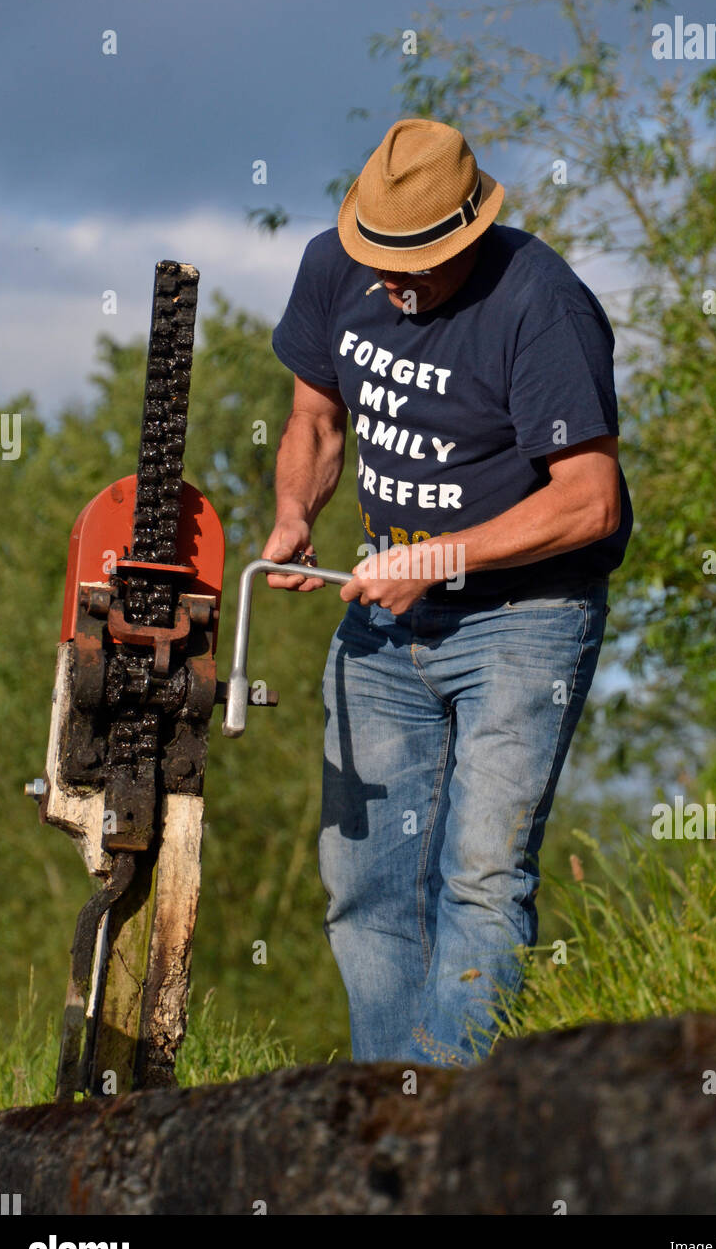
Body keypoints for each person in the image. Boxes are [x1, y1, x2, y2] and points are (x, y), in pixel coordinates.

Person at [264, 117, 632, 1067]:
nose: (391, 283)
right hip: (383, 625)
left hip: (524, 624)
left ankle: (451, 1130)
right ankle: (389, 1116)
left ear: (468, 236)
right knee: (365, 885)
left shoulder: (542, 303)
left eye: (416, 267)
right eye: (379, 259)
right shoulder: (336, 268)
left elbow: (589, 504)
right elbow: (315, 417)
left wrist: (432, 559)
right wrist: (297, 513)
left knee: (480, 879)